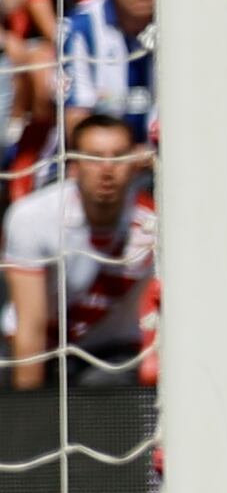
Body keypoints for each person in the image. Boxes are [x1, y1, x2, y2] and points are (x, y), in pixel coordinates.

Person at [3, 116, 152, 390]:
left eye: (118, 157)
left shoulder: (154, 223)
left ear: (135, 163)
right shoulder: (33, 217)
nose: (107, 169)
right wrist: (28, 417)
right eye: (94, 157)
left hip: (110, 354)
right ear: (73, 165)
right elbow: (31, 326)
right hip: (29, 345)